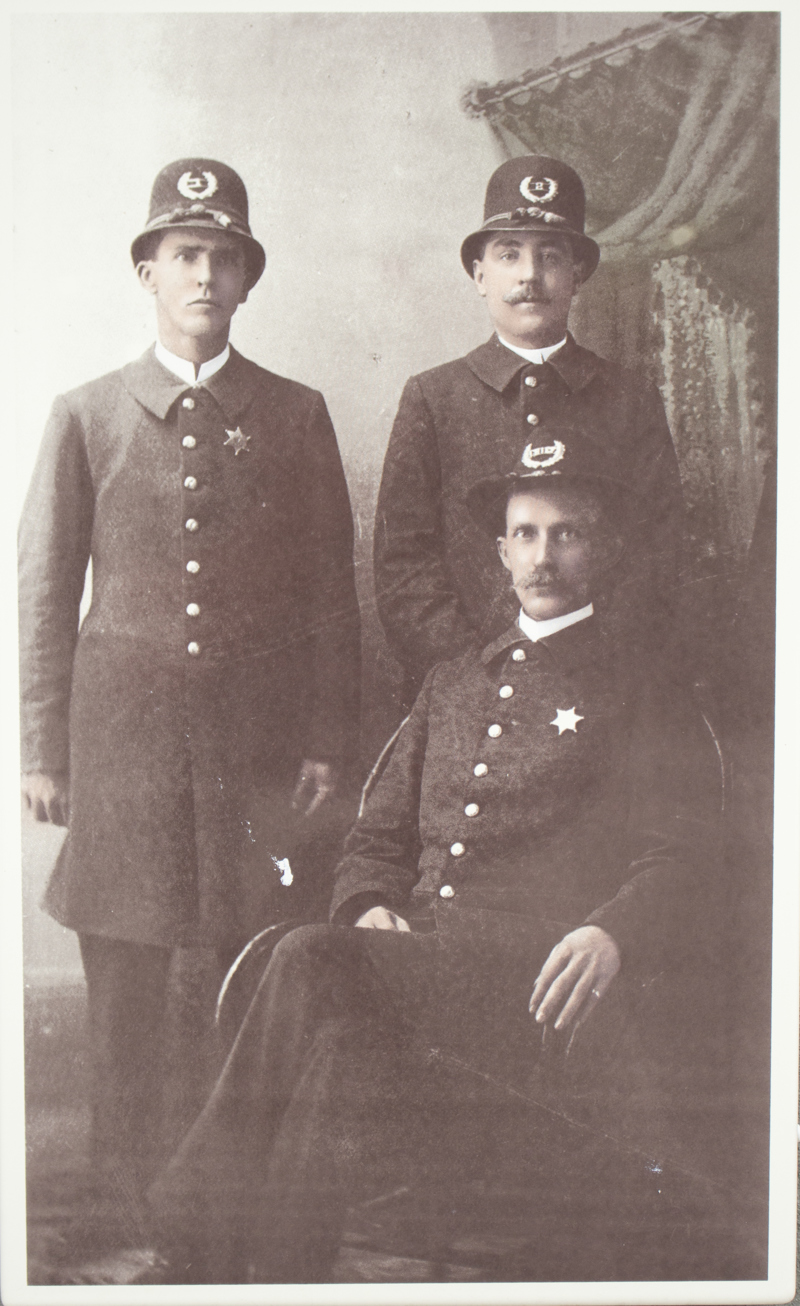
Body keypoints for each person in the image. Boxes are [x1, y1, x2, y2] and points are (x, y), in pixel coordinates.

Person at [148, 432, 722, 1284]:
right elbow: (376, 836)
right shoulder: (453, 680)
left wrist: (614, 933)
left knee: (303, 957)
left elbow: (683, 853)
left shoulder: (642, 686)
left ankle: (188, 1225)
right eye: (525, 534)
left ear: (600, 549)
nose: (543, 555)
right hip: (422, 963)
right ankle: (274, 1272)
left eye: (566, 533)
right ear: (500, 553)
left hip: (536, 976)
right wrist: (367, 904)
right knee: (335, 1035)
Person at [18, 158, 361, 1207]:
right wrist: (41, 749)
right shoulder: (87, 414)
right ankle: (120, 1188)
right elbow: (43, 587)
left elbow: (329, 593)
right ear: (148, 273)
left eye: (223, 258)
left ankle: (226, 1189)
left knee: (246, 950)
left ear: (248, 280)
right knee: (122, 957)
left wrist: (326, 739)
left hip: (253, 742)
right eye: (184, 255)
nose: (204, 275)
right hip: (121, 738)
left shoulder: (294, 414)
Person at [373, 154, 685, 708]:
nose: (529, 276)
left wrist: (592, 669)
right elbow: (404, 569)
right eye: (509, 254)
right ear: (479, 275)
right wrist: (476, 673)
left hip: (599, 694)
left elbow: (658, 552)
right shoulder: (433, 397)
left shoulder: (629, 398)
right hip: (464, 693)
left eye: (551, 256)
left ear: (577, 275)